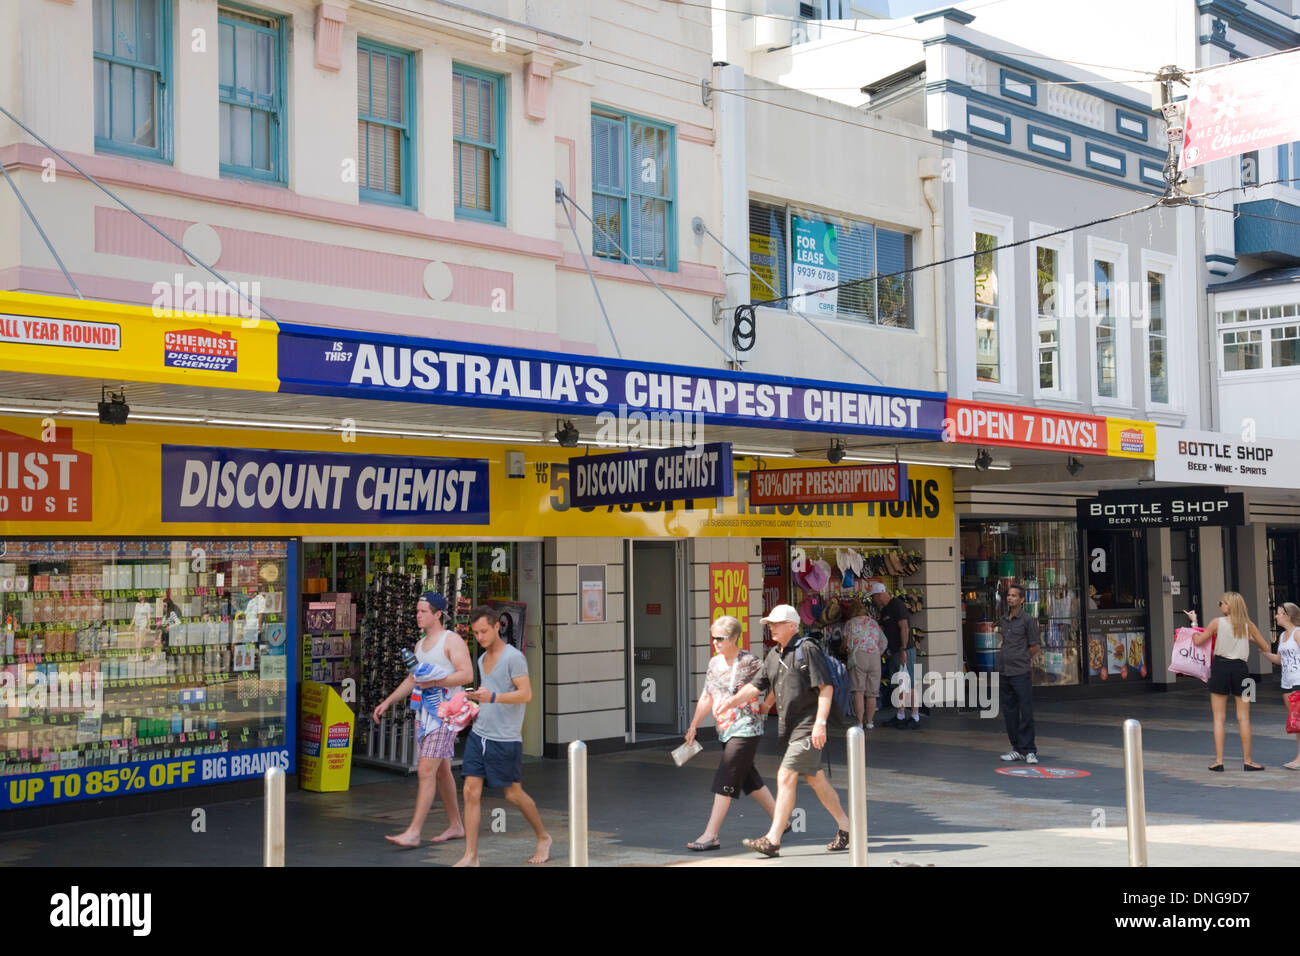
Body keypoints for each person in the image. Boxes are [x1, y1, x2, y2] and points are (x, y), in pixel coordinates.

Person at [721, 604, 851, 858]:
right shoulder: (774, 655)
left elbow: (825, 687)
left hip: (808, 725)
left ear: (792, 626)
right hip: (791, 728)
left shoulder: (807, 649)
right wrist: (731, 702)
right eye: (770, 624)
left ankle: (773, 839)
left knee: (786, 775)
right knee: (815, 779)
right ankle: (846, 827)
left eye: (777, 623)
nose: (772, 627)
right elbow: (757, 685)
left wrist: (820, 723)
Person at [373, 591, 472, 846]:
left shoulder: (451, 640)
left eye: (423, 611)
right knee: (442, 772)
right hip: (425, 716)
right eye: (417, 611)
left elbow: (467, 675)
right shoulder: (420, 645)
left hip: (445, 716)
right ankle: (456, 825)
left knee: (426, 770)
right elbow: (413, 679)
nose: (417, 615)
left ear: (437, 614)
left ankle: (414, 832)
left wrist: (437, 682)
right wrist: (388, 701)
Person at [455, 606, 551, 866]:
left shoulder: (514, 658)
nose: (480, 637)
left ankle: (543, 837)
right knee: (470, 791)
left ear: (497, 626)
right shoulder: (481, 659)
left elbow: (526, 694)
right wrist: (471, 701)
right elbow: (488, 695)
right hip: (479, 735)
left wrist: (494, 697)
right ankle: (471, 855)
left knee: (513, 794)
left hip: (505, 739)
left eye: (484, 631)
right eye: (476, 633)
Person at [682, 615, 779, 851]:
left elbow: (777, 682)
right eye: (713, 638)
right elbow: (707, 695)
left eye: (720, 638)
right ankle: (781, 819)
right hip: (725, 728)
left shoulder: (750, 662)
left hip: (747, 728)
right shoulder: (714, 663)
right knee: (748, 778)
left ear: (734, 638)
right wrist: (694, 725)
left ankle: (711, 835)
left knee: (726, 776)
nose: (715, 642)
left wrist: (767, 705)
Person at [1188, 593, 1278, 771]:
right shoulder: (1248, 624)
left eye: (1222, 603)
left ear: (1229, 606)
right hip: (1243, 670)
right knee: (1244, 718)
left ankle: (1219, 761)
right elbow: (1266, 647)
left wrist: (1194, 623)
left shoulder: (1217, 622)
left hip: (1220, 668)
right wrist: (1248, 637)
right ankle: (1248, 761)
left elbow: (1198, 641)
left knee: (1218, 717)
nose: (1220, 605)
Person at [998, 582, 1041, 764]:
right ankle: (1016, 748)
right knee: (1009, 712)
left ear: (1022, 600)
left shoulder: (1028, 620)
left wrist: (1022, 658)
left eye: (1014, 595)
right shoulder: (1003, 619)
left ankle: (1029, 750)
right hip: (1004, 671)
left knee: (1026, 710)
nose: (1010, 598)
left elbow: (1035, 646)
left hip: (1020, 672)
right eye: (1009, 595)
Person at [869, 582, 917, 728]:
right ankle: (900, 714)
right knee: (898, 683)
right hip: (894, 652)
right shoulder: (885, 610)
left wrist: (903, 649)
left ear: (879, 595)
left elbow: (904, 627)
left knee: (909, 683)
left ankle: (915, 716)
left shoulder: (897, 605)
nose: (873, 600)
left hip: (904, 650)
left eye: (874, 597)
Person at [842, 598, 884, 729]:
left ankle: (859, 722)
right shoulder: (874, 623)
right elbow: (884, 641)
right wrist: (877, 652)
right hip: (875, 658)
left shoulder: (850, 624)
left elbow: (845, 643)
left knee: (858, 691)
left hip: (858, 657)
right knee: (872, 693)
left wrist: (843, 650)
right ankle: (870, 722)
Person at [1276, 602, 1300, 771]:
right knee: (1296, 723)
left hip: (1298, 681)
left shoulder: (1298, 633)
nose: (1276, 616)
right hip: (1286, 683)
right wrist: (1263, 651)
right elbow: (1279, 660)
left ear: (1287, 615)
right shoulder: (1282, 635)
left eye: (1278, 613)